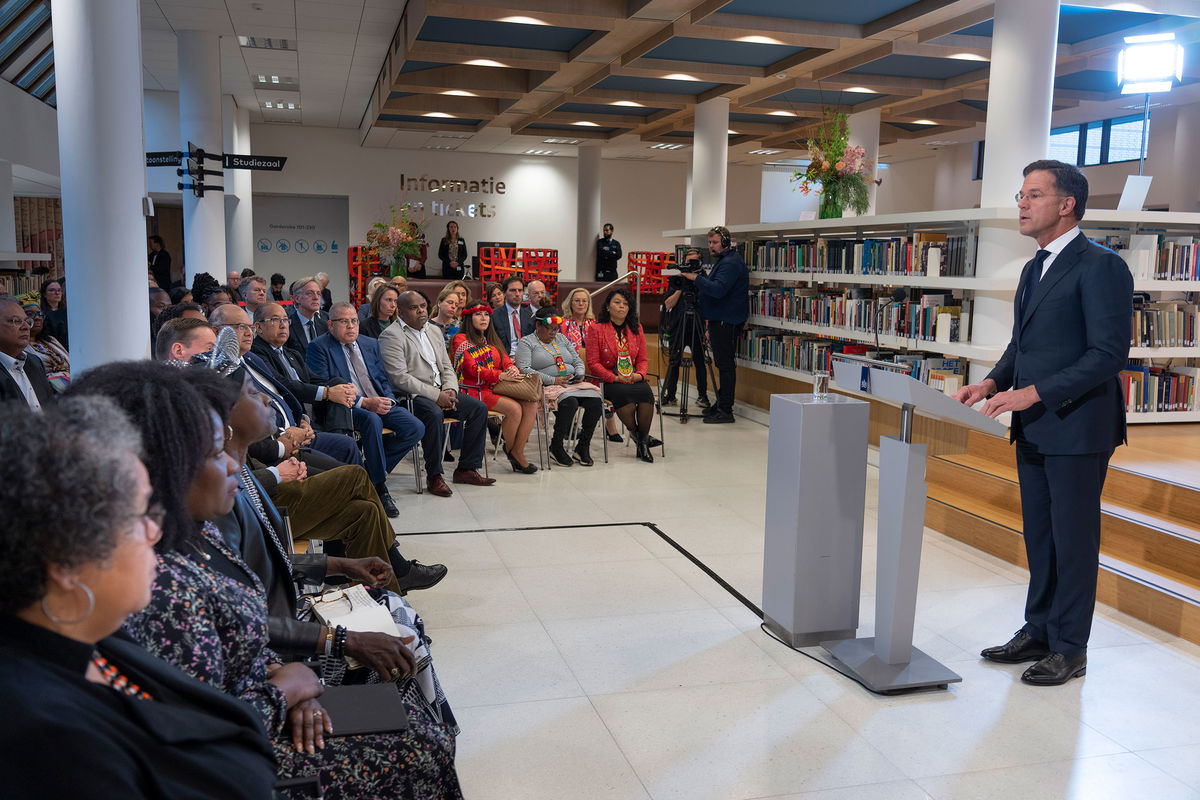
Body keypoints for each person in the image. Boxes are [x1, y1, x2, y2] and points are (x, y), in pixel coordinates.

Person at [66, 363, 463, 799]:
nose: (232, 466)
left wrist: (334, 574)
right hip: (247, 743)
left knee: (403, 649)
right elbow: (190, 724)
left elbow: (233, 633)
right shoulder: (157, 582)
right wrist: (295, 680)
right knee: (422, 738)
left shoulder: (193, 530)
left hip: (271, 678)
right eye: (214, 452)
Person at [0, 397, 278, 799]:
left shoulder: (92, 640)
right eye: (139, 515)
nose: (155, 532)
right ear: (66, 558)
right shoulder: (49, 740)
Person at [954, 160, 1132, 687]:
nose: (1022, 204)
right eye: (1021, 194)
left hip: (1078, 428)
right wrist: (990, 383)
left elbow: (1108, 354)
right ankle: (1039, 630)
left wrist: (1032, 392)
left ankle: (1071, 647)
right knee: (1042, 537)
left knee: (1074, 541)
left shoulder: (1100, 265)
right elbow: (1022, 346)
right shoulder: (1035, 266)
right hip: (1033, 426)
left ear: (1066, 204)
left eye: (1033, 195)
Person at [306, 302, 427, 512]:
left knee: (415, 427)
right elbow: (324, 385)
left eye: (354, 321)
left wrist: (388, 399)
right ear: (330, 324)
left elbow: (382, 378)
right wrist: (365, 403)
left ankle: (369, 473)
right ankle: (380, 488)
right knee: (372, 420)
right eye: (344, 321)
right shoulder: (319, 347)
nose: (351, 326)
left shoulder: (370, 343)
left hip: (378, 400)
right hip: (345, 406)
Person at [378, 291, 495, 497]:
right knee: (434, 414)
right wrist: (436, 395)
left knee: (478, 408)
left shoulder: (433, 330)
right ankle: (434, 475)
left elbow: (447, 366)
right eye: (414, 308)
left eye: (423, 305)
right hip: (412, 397)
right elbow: (399, 378)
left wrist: (450, 389)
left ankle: (466, 468)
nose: (421, 310)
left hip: (442, 390)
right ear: (401, 312)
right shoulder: (391, 335)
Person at [451, 304, 539, 474]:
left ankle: (515, 450)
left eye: (486, 314)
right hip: (473, 390)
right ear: (469, 318)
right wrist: (500, 375)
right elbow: (472, 368)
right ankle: (516, 454)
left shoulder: (491, 338)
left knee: (531, 404)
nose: (484, 318)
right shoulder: (461, 339)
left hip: (494, 387)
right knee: (514, 409)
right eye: (478, 314)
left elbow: (505, 359)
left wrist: (512, 369)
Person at [249, 301, 356, 436]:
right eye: (275, 320)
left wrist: (344, 388)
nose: (283, 325)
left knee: (338, 382)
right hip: (290, 414)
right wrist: (327, 393)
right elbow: (281, 384)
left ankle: (341, 436)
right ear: (258, 327)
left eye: (286, 320)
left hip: (311, 410)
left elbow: (315, 379)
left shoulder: (292, 353)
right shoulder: (256, 353)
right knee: (333, 391)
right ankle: (342, 440)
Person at [517, 306, 603, 467]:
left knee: (596, 402)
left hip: (572, 383)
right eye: (549, 329)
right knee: (570, 403)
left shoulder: (562, 339)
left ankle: (583, 446)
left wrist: (580, 373)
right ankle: (556, 446)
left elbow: (577, 360)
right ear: (538, 326)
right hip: (545, 385)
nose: (553, 332)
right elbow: (524, 369)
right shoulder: (526, 342)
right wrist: (552, 380)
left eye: (556, 329)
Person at [680, 225, 748, 424]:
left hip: (727, 320)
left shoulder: (730, 263)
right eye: (709, 242)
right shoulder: (725, 260)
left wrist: (696, 278)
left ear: (725, 242)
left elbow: (718, 290)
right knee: (722, 364)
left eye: (715, 242)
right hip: (721, 318)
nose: (711, 246)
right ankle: (721, 403)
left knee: (725, 365)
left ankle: (726, 408)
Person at [586, 287, 656, 463]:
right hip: (609, 379)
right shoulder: (597, 329)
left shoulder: (636, 328)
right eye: (617, 303)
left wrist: (639, 375)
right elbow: (593, 363)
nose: (621, 307)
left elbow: (643, 359)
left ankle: (641, 441)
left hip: (632, 377)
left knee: (646, 395)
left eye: (625, 304)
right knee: (625, 398)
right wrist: (615, 378)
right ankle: (642, 440)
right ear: (608, 307)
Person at [661, 255, 711, 408]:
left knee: (700, 362)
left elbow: (709, 307)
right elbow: (668, 304)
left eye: (693, 262)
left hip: (698, 327)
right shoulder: (676, 281)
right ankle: (670, 395)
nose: (690, 264)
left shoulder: (704, 281)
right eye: (688, 262)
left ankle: (703, 396)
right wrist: (681, 288)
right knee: (674, 361)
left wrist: (707, 330)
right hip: (678, 325)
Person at [0, 296, 52, 409]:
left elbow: (51, 407)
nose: (26, 327)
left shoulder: (34, 361)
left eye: (27, 321)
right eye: (16, 321)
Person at [22, 298, 70, 391]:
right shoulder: (19, 346)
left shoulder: (51, 340)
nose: (37, 317)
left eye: (40, 314)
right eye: (29, 314)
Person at [287, 277, 328, 359]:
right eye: (310, 293)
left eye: (318, 293)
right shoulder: (287, 326)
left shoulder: (326, 324)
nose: (316, 297)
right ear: (297, 298)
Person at [492, 276, 534, 356]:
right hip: (504, 358)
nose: (517, 294)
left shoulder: (530, 316)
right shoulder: (494, 315)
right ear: (504, 293)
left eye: (520, 290)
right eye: (513, 290)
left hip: (526, 358)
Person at [39, 278, 68, 347]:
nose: (57, 293)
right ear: (44, 294)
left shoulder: (67, 312)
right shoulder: (41, 314)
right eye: (52, 290)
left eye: (59, 290)